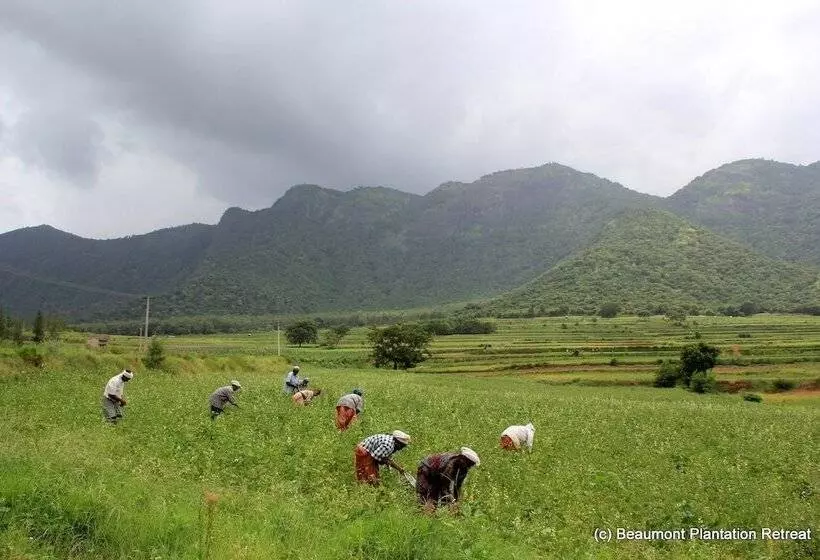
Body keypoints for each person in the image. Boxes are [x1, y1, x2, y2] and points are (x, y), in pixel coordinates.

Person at [416, 447, 480, 511]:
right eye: (469, 464)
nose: (469, 466)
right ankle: (421, 511)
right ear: (463, 459)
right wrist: (452, 501)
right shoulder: (451, 464)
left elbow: (457, 486)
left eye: (471, 465)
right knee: (424, 492)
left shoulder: (464, 469)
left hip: (437, 473)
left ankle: (433, 511)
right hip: (426, 468)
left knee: (436, 494)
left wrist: (457, 500)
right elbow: (445, 484)